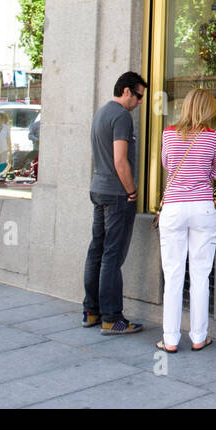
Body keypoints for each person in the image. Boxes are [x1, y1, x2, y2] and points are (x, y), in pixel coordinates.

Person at [157, 89, 216, 353]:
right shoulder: (213, 138)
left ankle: (170, 340)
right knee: (200, 275)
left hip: (173, 207)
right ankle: (198, 336)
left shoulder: (168, 133)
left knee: (173, 275)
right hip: (203, 208)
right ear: (209, 110)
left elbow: (167, 166)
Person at [83, 71, 147, 335]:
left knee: (96, 250)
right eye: (139, 96)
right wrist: (132, 191)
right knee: (112, 254)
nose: (140, 102)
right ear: (127, 91)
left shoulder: (101, 112)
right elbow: (121, 160)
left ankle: (91, 311)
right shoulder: (122, 116)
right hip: (116, 194)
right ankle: (112, 318)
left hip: (98, 188)